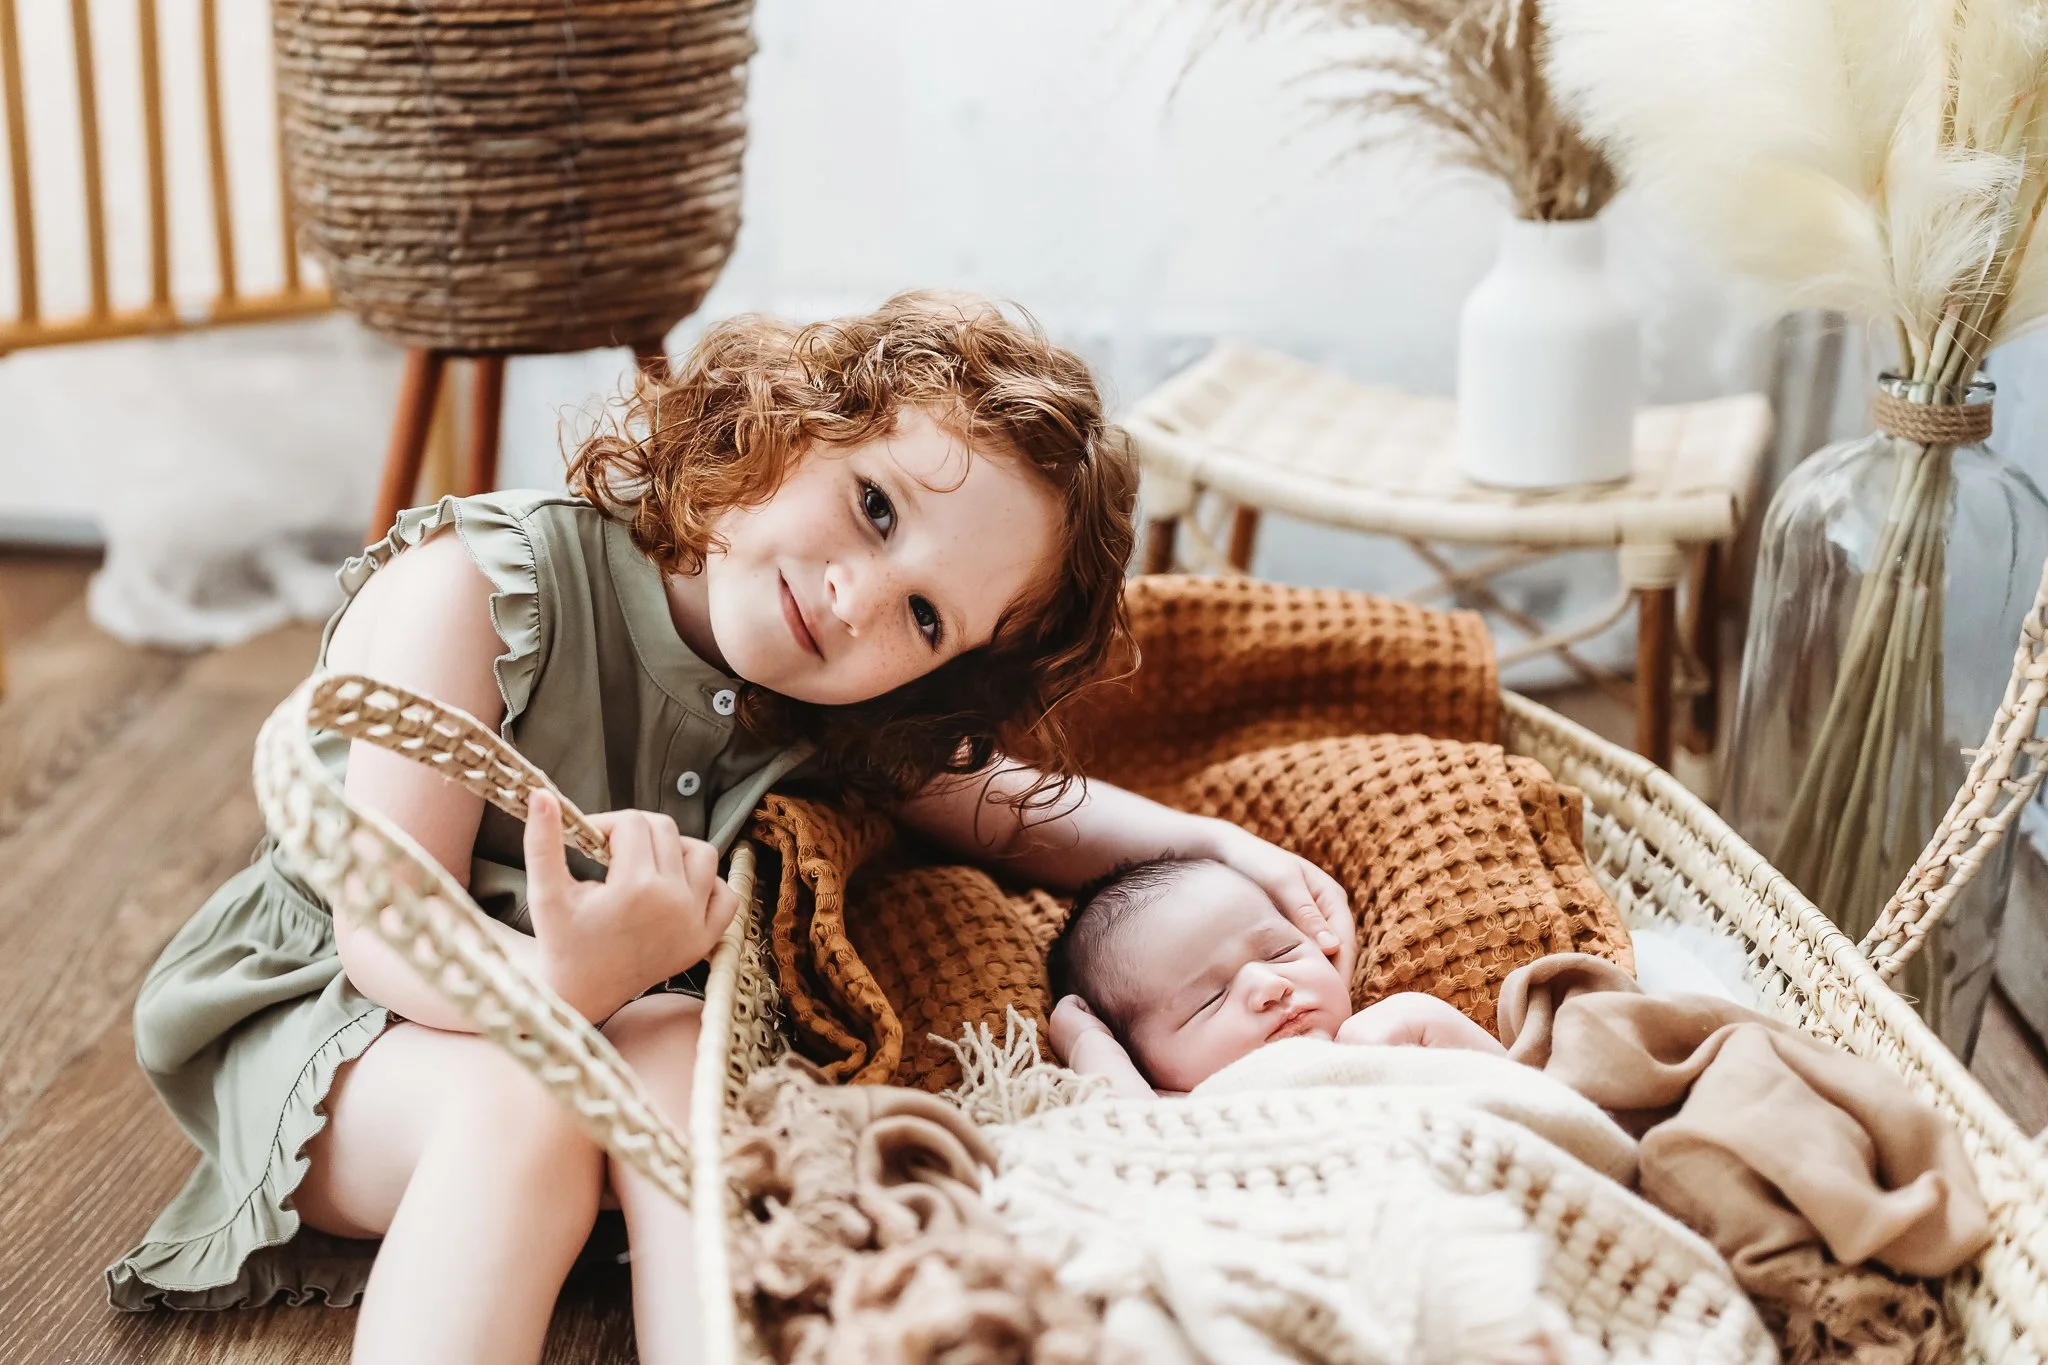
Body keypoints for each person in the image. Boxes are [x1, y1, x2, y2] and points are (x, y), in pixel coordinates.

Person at [107, 293, 1353, 1365]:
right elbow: (390, 937)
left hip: (576, 1024)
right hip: (339, 1026)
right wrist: (566, 980)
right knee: (529, 1101)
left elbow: (997, 809)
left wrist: (1206, 841)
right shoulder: (480, 589)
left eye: (925, 617)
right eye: (872, 507)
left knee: (671, 1035)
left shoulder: (819, 704)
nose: (858, 597)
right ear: (787, 424)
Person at [1047, 856, 1500, 1097]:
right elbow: (1129, 1134)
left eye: (1281, 952)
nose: (1269, 986)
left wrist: (1420, 1018)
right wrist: (1088, 1042)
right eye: (1210, 1000)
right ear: (1143, 1066)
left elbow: (1518, 1089)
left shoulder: (1394, 1029)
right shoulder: (1176, 1111)